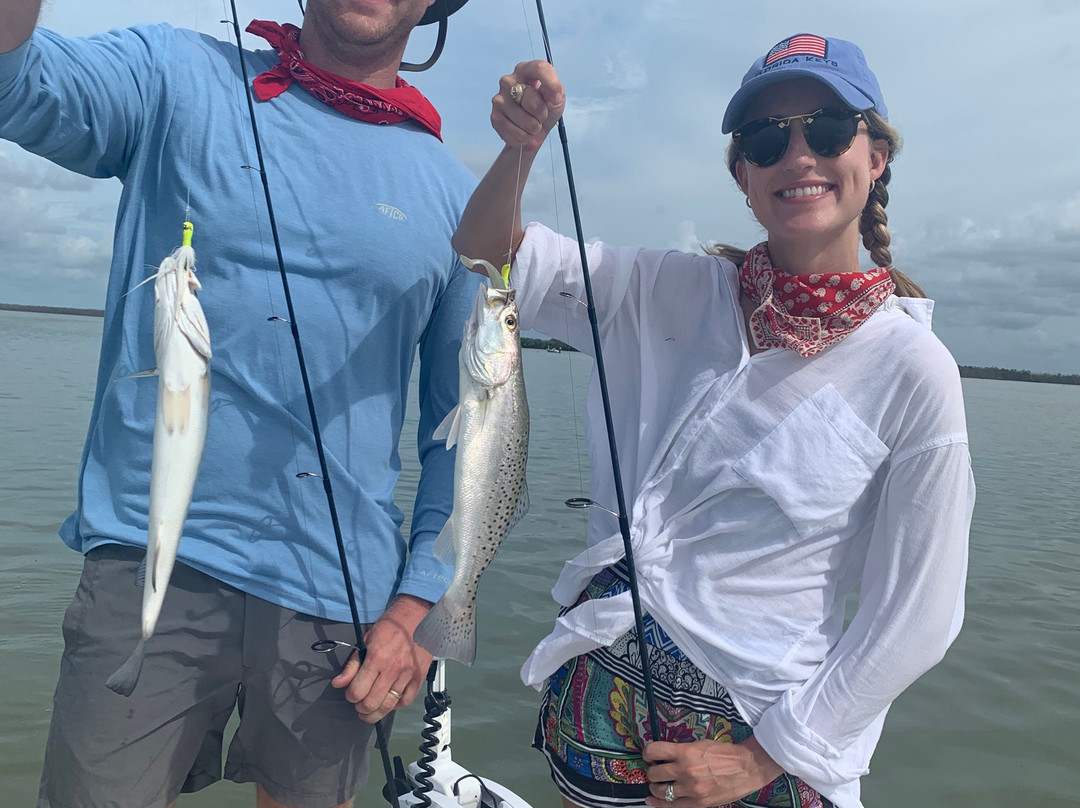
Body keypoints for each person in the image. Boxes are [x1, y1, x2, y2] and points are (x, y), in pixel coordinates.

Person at [452, 33, 973, 808]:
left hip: (762, 741)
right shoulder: (668, 288)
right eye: (767, 138)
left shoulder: (913, 370)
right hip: (597, 711)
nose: (798, 154)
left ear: (877, 157)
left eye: (828, 129)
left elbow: (919, 617)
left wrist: (762, 758)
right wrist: (521, 150)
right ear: (742, 175)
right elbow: (485, 255)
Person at [0, 1, 479, 806]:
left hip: (343, 604)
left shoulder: (462, 200)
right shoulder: (174, 77)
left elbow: (464, 439)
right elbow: (17, 79)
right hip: (150, 565)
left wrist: (417, 611)